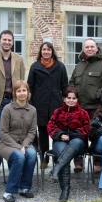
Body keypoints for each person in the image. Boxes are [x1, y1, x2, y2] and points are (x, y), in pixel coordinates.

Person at [69, 38, 102, 173]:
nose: (89, 49)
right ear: (83, 49)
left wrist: (97, 94)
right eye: (87, 47)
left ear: (97, 48)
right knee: (78, 134)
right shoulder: (79, 65)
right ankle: (78, 162)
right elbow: (72, 81)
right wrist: (73, 95)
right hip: (79, 107)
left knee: (97, 134)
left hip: (96, 107)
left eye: (92, 47)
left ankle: (98, 162)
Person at [0, 30, 25, 175]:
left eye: (10, 40)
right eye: (5, 40)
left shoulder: (19, 59)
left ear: (13, 42)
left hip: (14, 101)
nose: (7, 42)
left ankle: (12, 162)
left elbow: (21, 81)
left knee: (13, 133)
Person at [27, 42, 68, 170]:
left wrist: (64, 102)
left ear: (52, 51)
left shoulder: (60, 67)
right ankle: (44, 158)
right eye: (44, 49)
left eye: (49, 50)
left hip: (56, 105)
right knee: (43, 133)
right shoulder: (35, 67)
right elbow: (30, 86)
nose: (46, 52)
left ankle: (57, 158)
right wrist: (31, 103)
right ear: (41, 51)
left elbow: (65, 86)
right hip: (40, 105)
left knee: (56, 133)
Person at [0, 80, 37, 202]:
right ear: (14, 93)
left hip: (24, 143)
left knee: (32, 154)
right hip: (5, 143)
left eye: (24, 90)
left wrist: (24, 145)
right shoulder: (8, 109)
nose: (22, 93)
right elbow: (3, 133)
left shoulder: (33, 110)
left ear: (28, 92)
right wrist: (18, 147)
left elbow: (32, 132)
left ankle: (24, 187)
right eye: (19, 91)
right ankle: (9, 191)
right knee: (19, 157)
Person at [47, 86, 90, 202]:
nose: (71, 100)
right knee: (63, 153)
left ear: (77, 99)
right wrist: (60, 135)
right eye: (68, 98)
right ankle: (65, 189)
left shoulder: (83, 113)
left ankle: (56, 169)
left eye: (74, 98)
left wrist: (71, 136)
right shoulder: (58, 112)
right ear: (64, 99)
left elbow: (86, 130)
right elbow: (50, 126)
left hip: (78, 143)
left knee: (75, 143)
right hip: (60, 141)